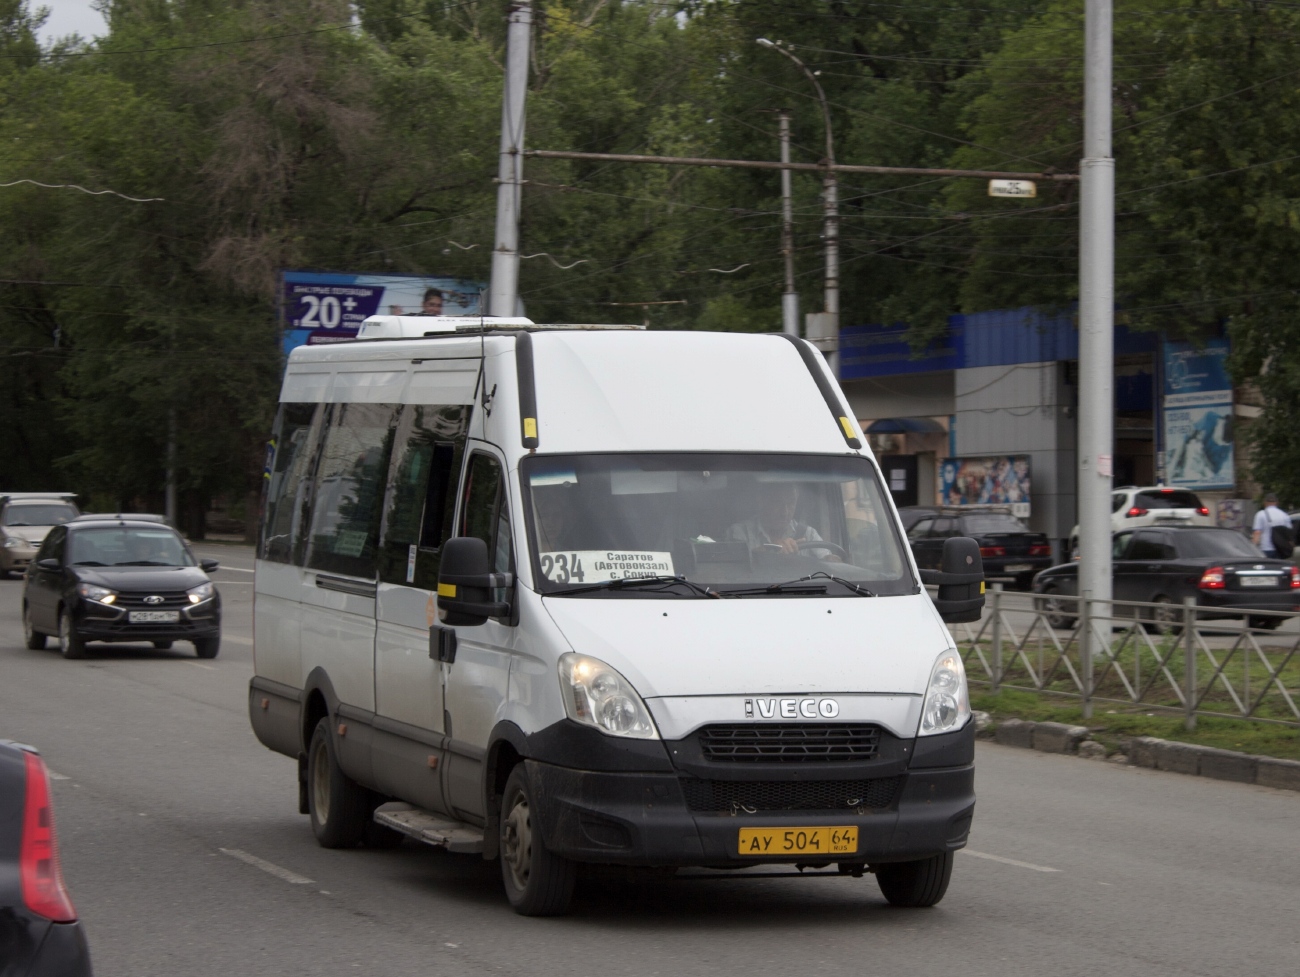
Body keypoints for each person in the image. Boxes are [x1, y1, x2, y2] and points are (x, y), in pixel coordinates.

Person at [727, 482, 823, 555]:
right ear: (761, 501)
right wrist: (768, 551)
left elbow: (831, 565)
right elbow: (730, 571)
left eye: (790, 503)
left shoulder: (808, 535)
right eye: (777, 502)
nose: (784, 512)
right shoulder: (739, 533)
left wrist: (832, 560)